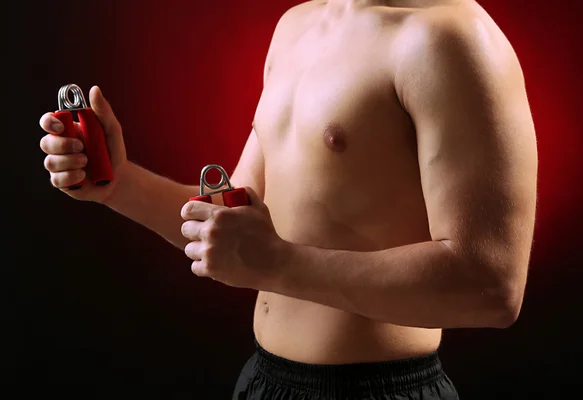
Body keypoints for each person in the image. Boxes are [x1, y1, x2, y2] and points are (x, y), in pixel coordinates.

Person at [38, 0, 538, 398]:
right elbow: (231, 223)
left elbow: (491, 285)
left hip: (378, 390)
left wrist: (278, 264)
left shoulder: (452, 38)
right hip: (262, 381)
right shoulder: (296, 27)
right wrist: (119, 184)